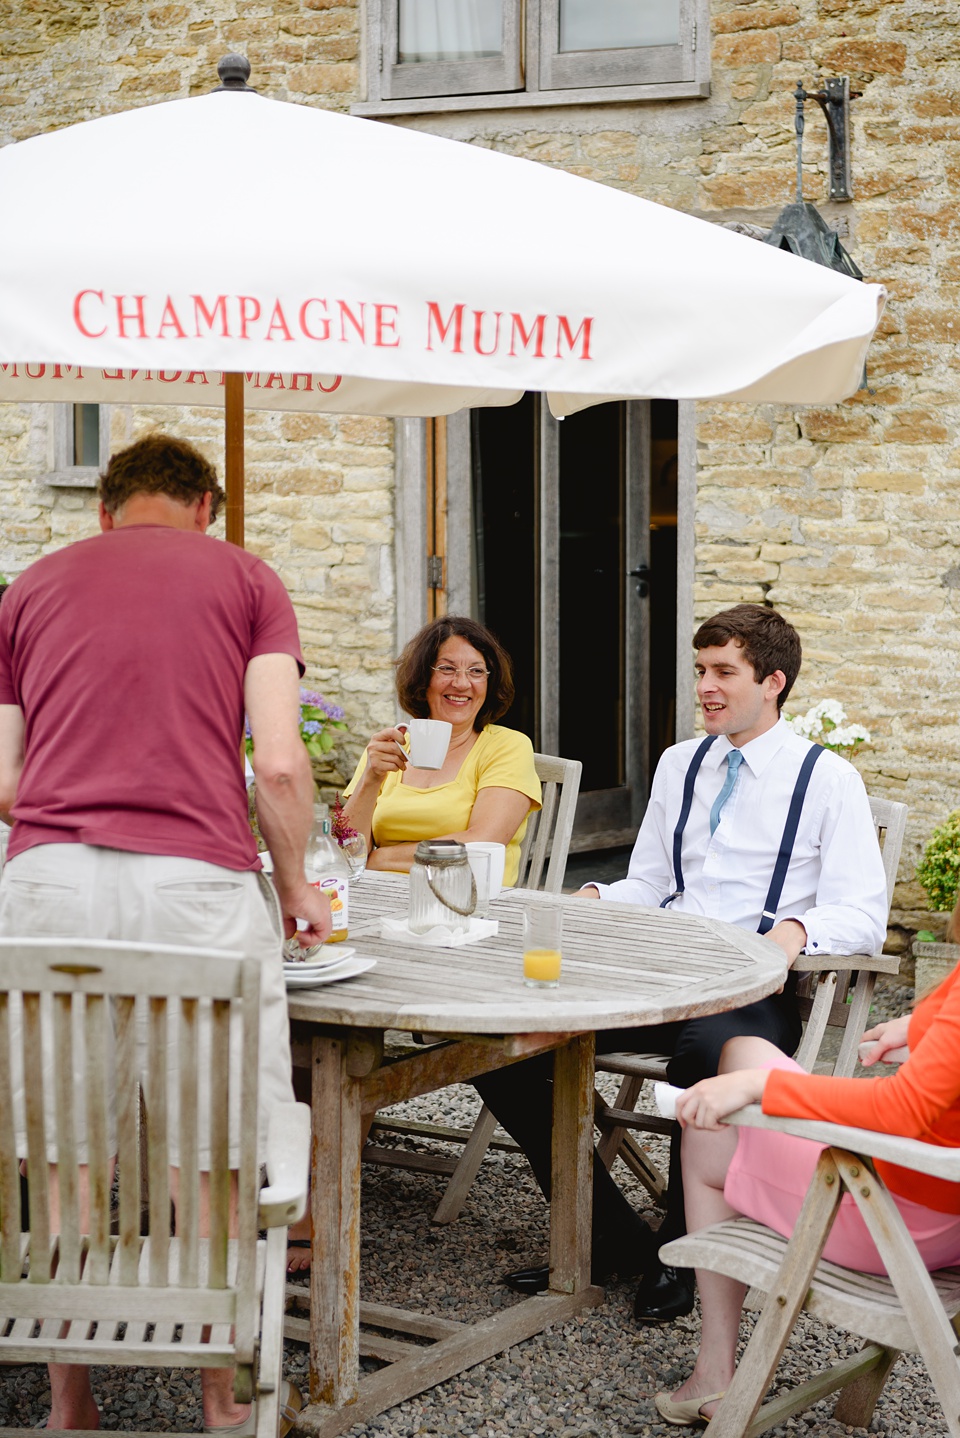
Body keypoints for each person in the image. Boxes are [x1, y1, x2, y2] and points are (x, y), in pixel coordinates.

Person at [0, 433, 330, 1435]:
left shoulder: (29, 589)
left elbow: (6, 782)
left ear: (104, 509)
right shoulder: (247, 580)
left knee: (61, 1151)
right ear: (207, 507)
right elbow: (280, 765)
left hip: (48, 884)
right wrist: (296, 885)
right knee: (212, 1148)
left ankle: (71, 1405)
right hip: (196, 883)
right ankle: (222, 1403)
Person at [474, 604, 889, 1318]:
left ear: (773, 682)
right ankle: (611, 1237)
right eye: (701, 670)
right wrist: (592, 898)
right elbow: (650, 883)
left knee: (706, 1052)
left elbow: (863, 913)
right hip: (657, 977)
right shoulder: (680, 763)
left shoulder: (827, 779)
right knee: (500, 1044)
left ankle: (682, 1247)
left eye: (724, 671)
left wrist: (794, 931)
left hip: (751, 996)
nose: (705, 686)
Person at [657, 989, 960, 1427]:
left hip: (896, 1225)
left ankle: (713, 1374)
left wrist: (759, 1086)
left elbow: (900, 1108)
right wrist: (923, 1026)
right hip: (948, 1220)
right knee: (744, 1049)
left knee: (711, 1130)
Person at [342, 615, 542, 888]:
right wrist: (371, 778)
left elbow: (483, 843)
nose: (461, 683)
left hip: (466, 900)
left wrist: (381, 858)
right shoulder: (390, 747)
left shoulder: (507, 747)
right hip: (382, 895)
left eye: (476, 671)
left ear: (489, 682)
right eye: (447, 669)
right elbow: (347, 852)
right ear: (423, 679)